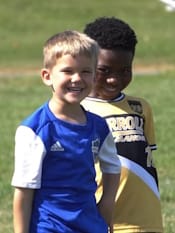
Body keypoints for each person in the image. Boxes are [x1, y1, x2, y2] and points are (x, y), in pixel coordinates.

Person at [11, 30, 121, 233]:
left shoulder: (99, 127)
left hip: (90, 225)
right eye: (68, 71)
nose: (77, 78)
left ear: (95, 76)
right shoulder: (34, 130)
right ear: (47, 76)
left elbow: (113, 168)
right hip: (50, 227)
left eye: (86, 71)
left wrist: (107, 206)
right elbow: (23, 192)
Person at [82, 17, 164, 232]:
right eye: (104, 70)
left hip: (147, 221)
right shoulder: (77, 111)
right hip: (102, 220)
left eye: (124, 70)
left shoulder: (140, 107)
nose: (114, 79)